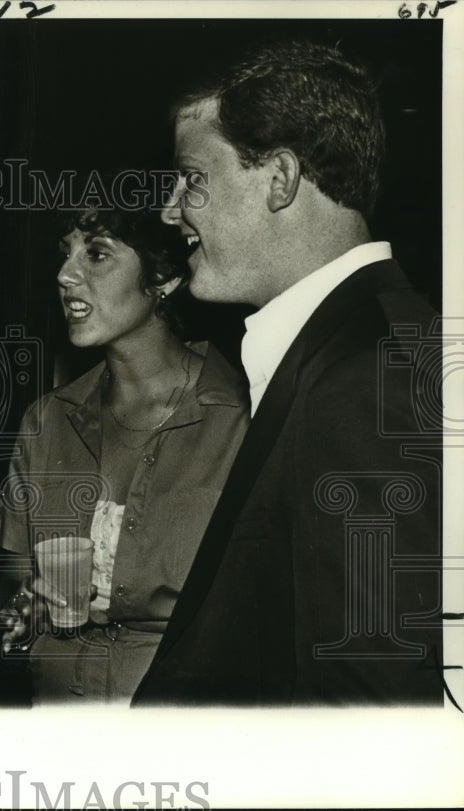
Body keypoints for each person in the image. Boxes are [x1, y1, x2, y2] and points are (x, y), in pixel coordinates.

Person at [135, 40, 444, 704]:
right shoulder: (369, 344)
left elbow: (374, 711)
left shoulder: (366, 379)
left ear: (279, 178)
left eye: (192, 178)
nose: (169, 209)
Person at [0, 198, 249, 704]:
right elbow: (18, 572)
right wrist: (28, 604)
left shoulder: (241, 418)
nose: (66, 274)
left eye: (96, 255)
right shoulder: (46, 422)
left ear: (163, 278)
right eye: (65, 254)